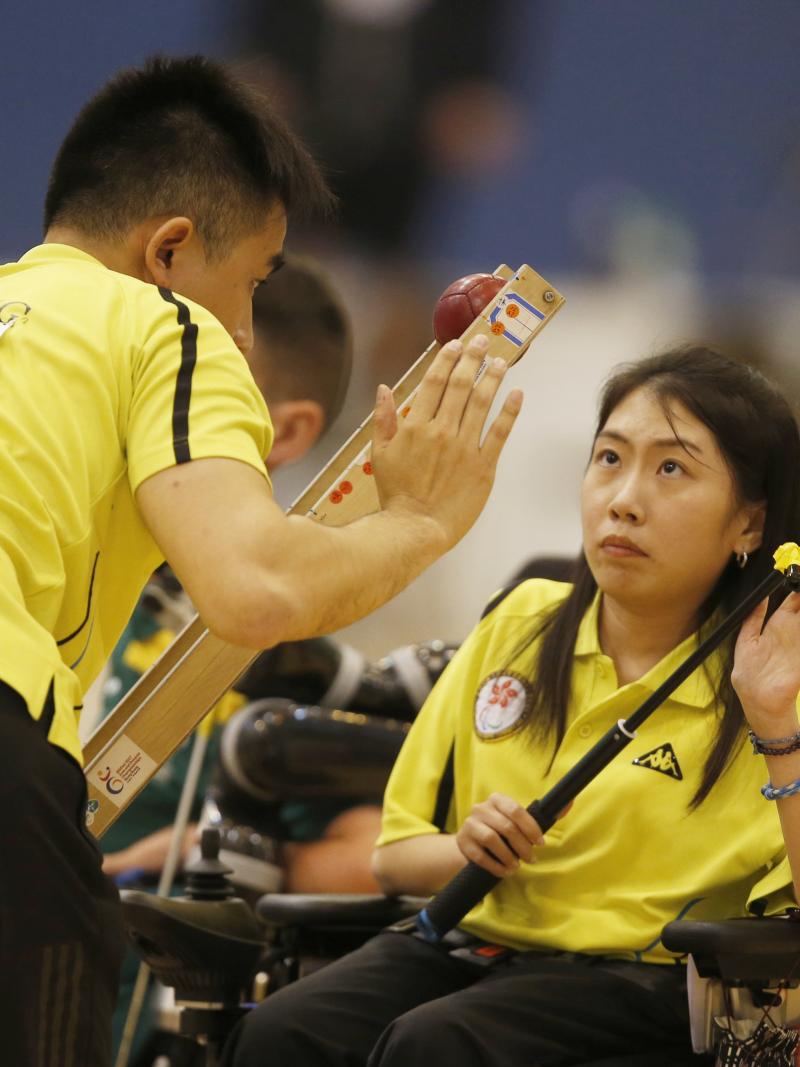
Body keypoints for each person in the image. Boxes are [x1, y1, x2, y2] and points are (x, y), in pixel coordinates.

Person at [0, 55, 522, 1066]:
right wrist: (422, 517)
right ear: (171, 250)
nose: (243, 329)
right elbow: (255, 588)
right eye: (248, 285)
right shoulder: (164, 326)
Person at [222, 345, 800, 1067]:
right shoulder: (523, 619)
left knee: (436, 1045)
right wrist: (467, 847)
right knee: (283, 1030)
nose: (623, 497)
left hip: (652, 982)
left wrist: (779, 725)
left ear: (749, 523)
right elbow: (397, 859)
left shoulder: (779, 668)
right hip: (477, 945)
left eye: (672, 468)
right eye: (610, 458)